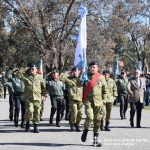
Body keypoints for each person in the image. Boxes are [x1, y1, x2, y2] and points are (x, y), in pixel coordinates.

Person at [81, 61, 106, 147]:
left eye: (94, 67)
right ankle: (85, 130)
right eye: (91, 67)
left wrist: (104, 101)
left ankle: (95, 141)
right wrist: (81, 74)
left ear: (97, 68)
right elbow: (80, 86)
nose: (92, 68)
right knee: (90, 117)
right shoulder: (85, 76)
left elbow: (105, 90)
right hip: (88, 101)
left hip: (99, 103)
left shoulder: (101, 77)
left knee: (97, 121)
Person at [20, 63, 46, 133]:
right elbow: (18, 75)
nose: (32, 70)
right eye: (30, 69)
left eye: (33, 69)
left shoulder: (40, 77)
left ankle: (35, 127)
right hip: (29, 98)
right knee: (29, 111)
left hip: (38, 98)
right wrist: (24, 70)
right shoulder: (26, 76)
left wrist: (43, 96)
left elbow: (44, 88)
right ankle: (27, 124)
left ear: (36, 70)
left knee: (37, 112)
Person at [60, 67, 83, 132]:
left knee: (80, 113)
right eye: (74, 71)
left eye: (76, 71)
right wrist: (68, 72)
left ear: (79, 72)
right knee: (74, 112)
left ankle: (77, 125)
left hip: (80, 99)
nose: (75, 72)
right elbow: (61, 78)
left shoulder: (82, 79)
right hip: (72, 99)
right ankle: (72, 124)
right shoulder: (69, 79)